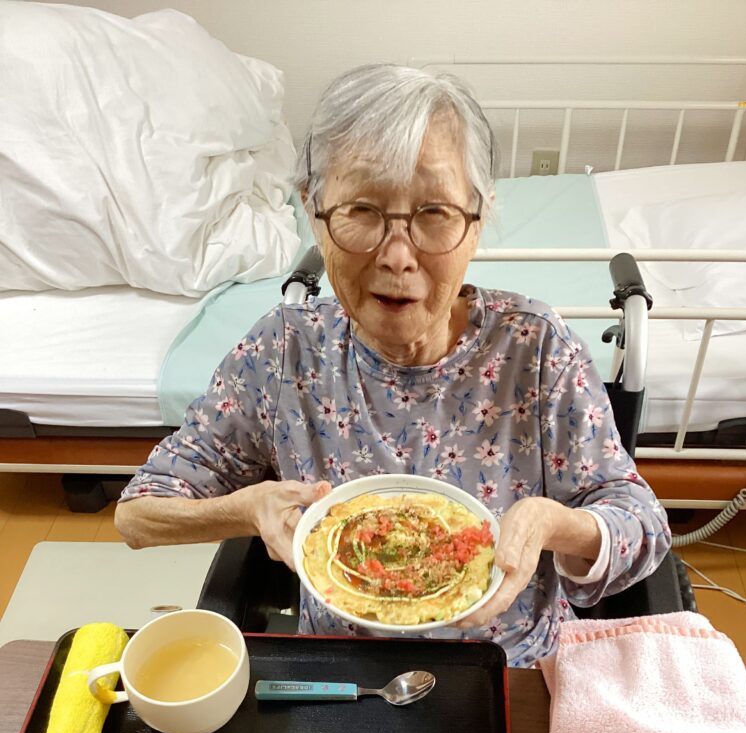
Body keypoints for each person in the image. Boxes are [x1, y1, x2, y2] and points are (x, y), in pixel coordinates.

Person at [116, 63, 670, 667]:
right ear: (314, 212)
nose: (397, 256)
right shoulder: (283, 352)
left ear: (477, 221)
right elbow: (138, 514)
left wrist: (555, 524)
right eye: (362, 209)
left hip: (510, 672)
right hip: (342, 674)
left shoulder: (536, 350)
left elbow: (641, 522)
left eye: (434, 212)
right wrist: (246, 509)